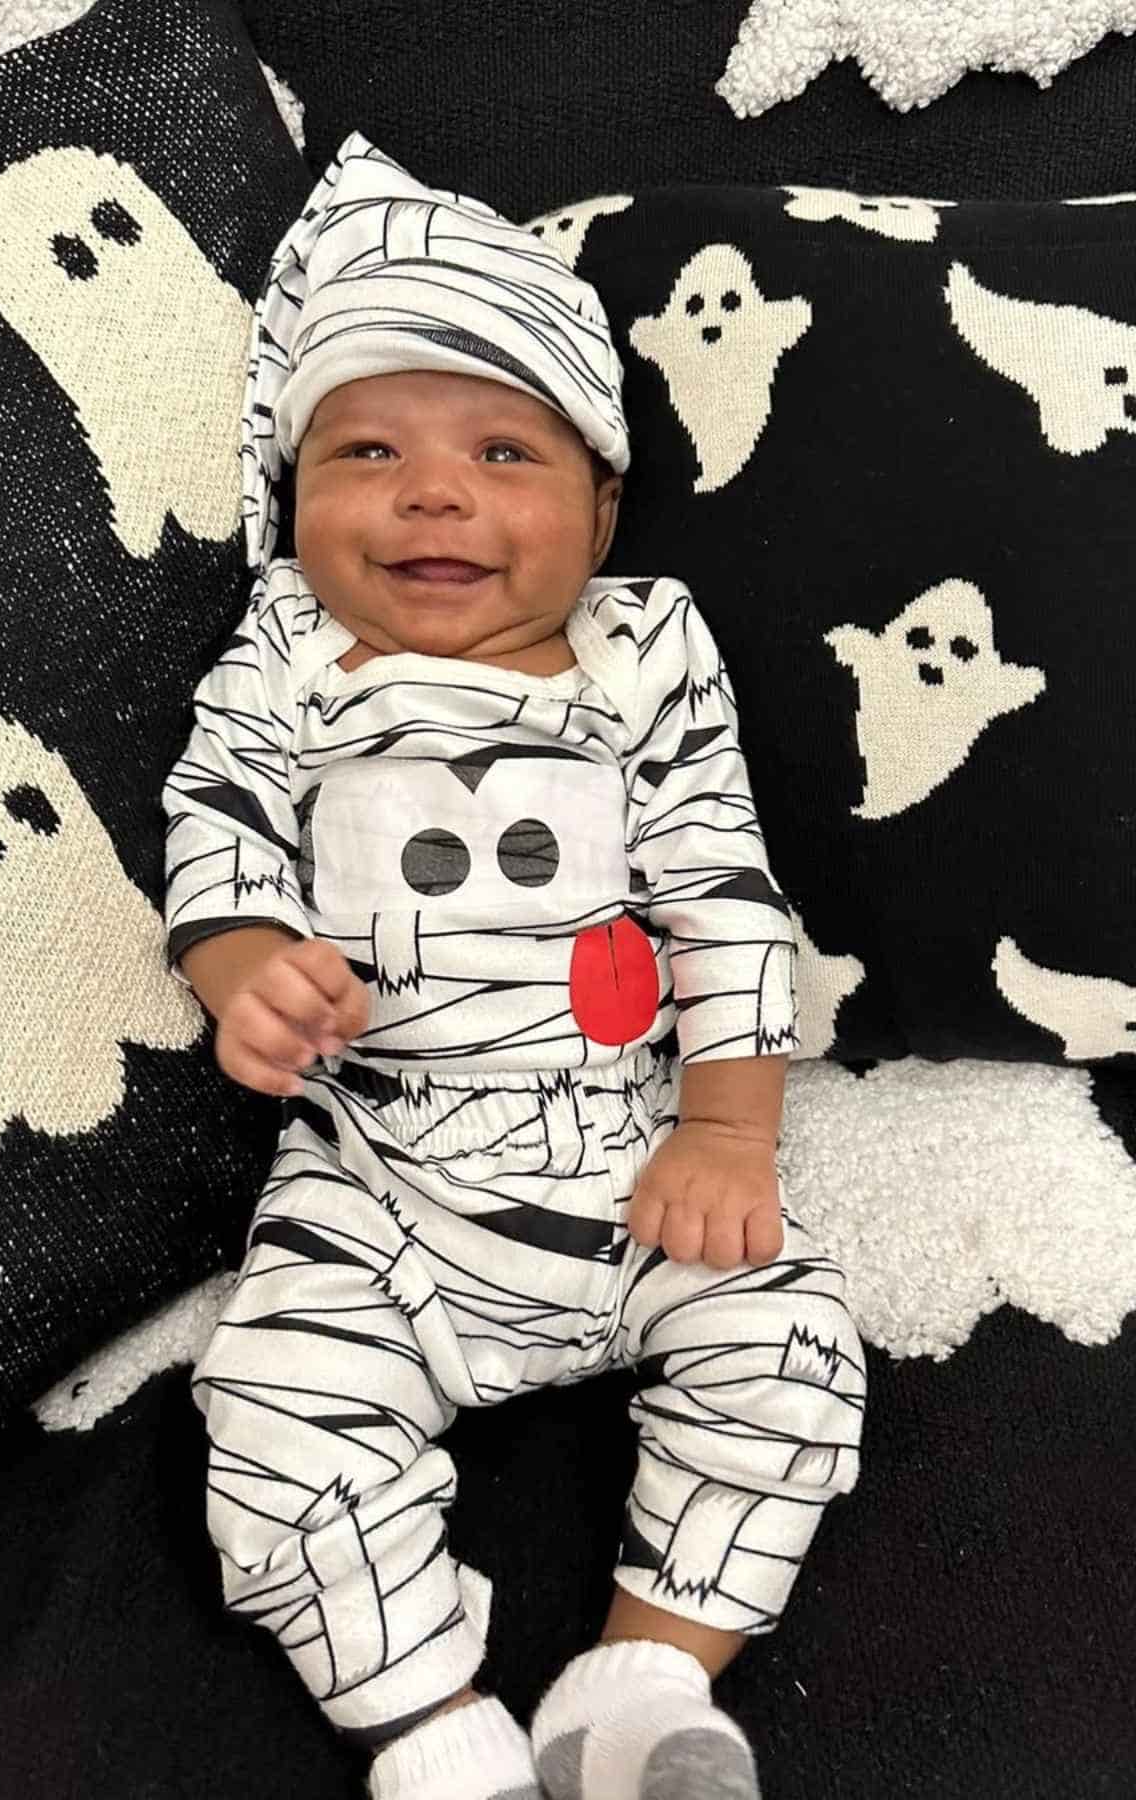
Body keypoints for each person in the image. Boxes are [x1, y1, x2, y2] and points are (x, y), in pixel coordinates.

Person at [163, 130, 865, 1800]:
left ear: (602, 502)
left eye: (502, 448)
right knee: (266, 1406)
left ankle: (641, 1687)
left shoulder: (649, 652)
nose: (431, 491)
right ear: (293, 501)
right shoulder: (286, 653)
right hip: (378, 1174)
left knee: (799, 1353)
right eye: (364, 451)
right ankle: (431, 1725)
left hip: (625, 1158)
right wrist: (241, 957)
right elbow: (216, 821)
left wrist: (729, 1139)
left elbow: (722, 893)